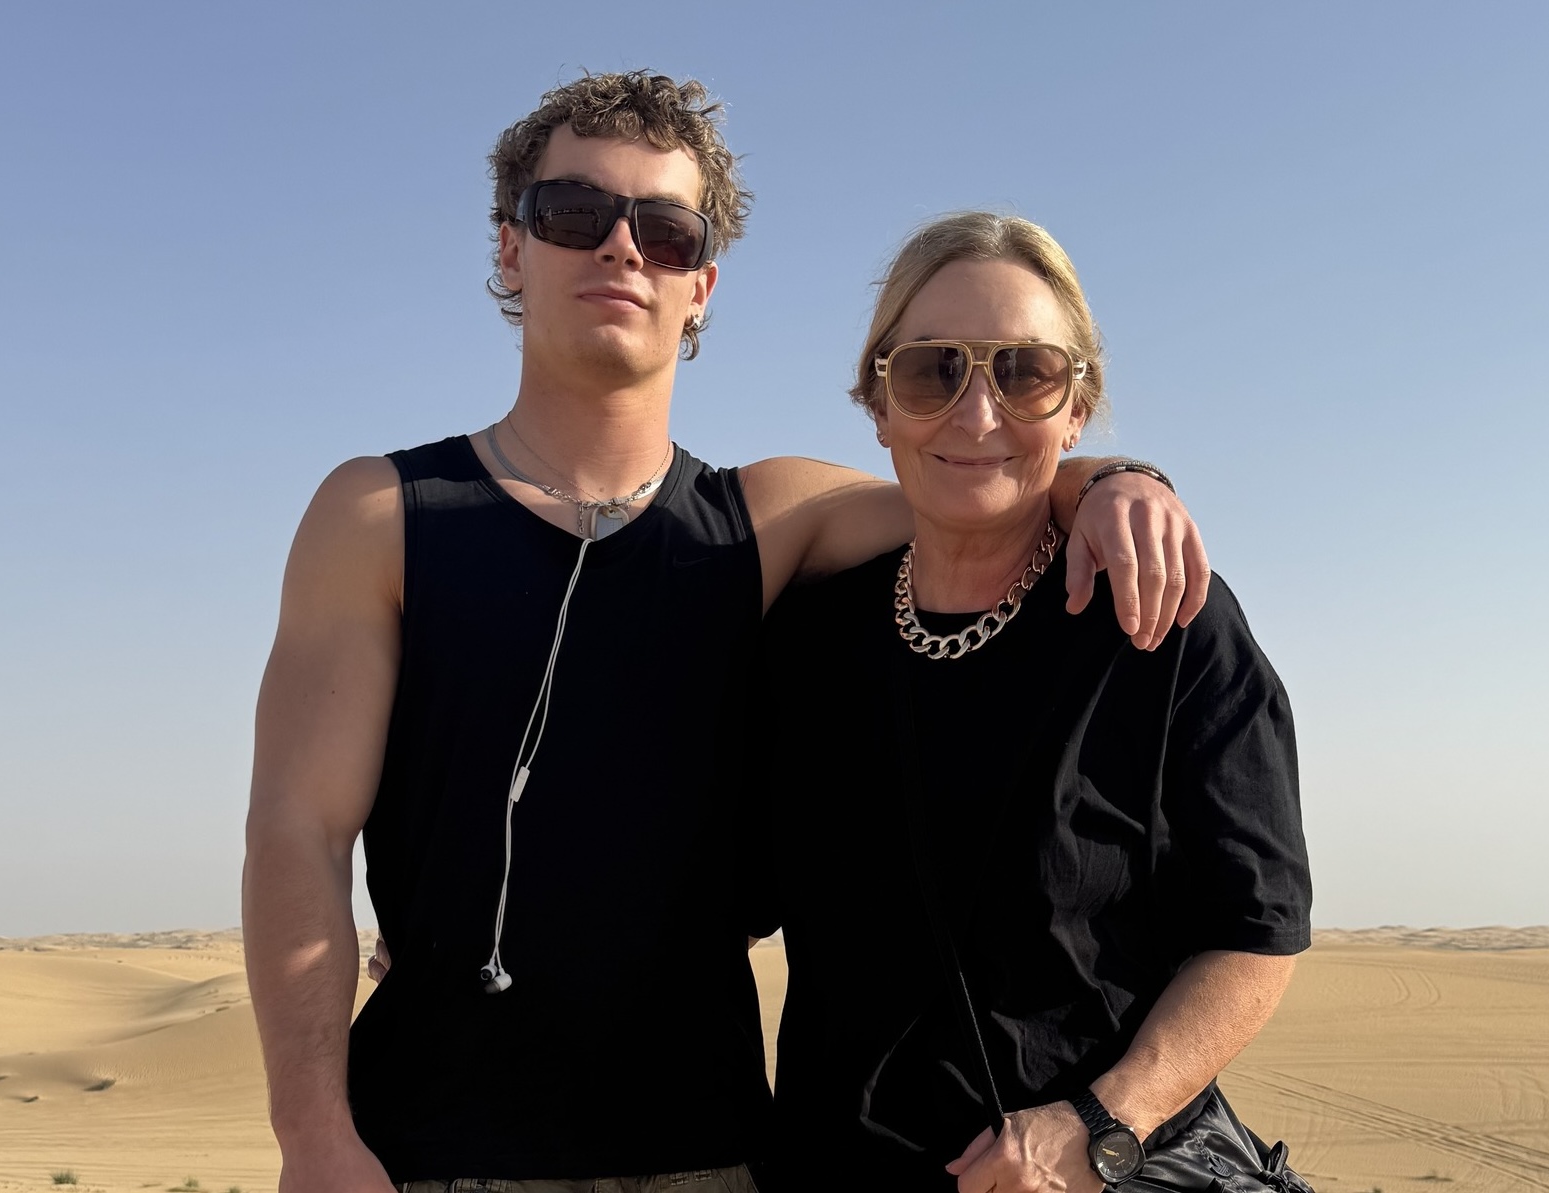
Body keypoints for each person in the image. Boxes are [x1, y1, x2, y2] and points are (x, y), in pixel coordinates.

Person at [241, 72, 1211, 1193]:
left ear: (701, 285)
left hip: (709, 1156)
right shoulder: (380, 515)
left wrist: (1112, 477)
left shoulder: (769, 517)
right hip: (427, 1152)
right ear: (511, 248)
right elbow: (298, 833)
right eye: (573, 213)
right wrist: (314, 1138)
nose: (620, 248)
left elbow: (977, 476)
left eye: (664, 230)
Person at [751, 213, 1313, 1192]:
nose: (977, 414)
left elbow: (1255, 929)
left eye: (1025, 372)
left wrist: (1101, 1121)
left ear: (1076, 407)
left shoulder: (1161, 617)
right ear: (877, 402)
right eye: (932, 370)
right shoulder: (807, 637)